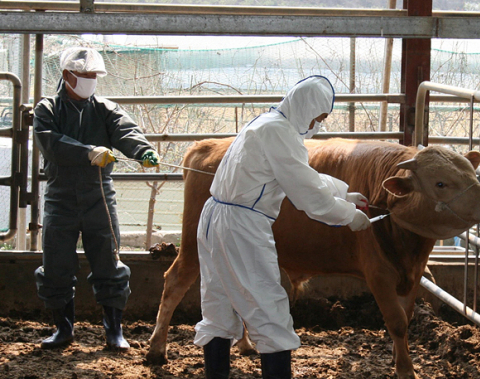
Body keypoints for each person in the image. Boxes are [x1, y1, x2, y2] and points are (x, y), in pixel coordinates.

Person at [195, 75, 371, 379]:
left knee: (218, 305)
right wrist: (348, 215)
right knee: (269, 311)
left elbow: (298, 174)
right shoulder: (279, 132)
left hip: (215, 217)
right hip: (242, 227)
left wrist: (343, 192)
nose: (318, 123)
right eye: (318, 116)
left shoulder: (267, 123)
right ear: (305, 107)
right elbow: (308, 194)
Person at [32, 47, 160, 350]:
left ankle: (114, 331)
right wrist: (88, 151)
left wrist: (142, 151)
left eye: (93, 76)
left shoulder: (105, 108)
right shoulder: (47, 109)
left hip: (98, 197)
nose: (91, 81)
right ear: (67, 76)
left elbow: (124, 130)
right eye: (85, 76)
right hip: (60, 197)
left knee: (109, 261)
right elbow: (50, 142)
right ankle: (63, 329)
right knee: (56, 263)